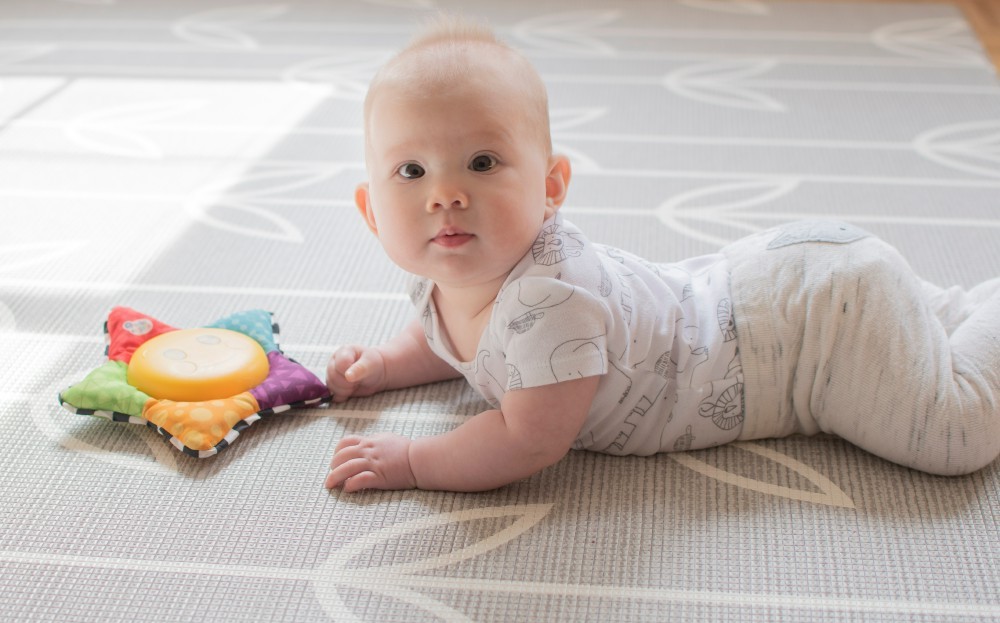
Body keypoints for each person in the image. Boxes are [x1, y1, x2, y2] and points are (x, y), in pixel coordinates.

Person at [324, 16, 1000, 493]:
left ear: (552, 186)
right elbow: (440, 336)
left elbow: (526, 439)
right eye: (410, 172)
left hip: (810, 339)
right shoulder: (440, 274)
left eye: (481, 161)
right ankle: (973, 307)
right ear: (369, 211)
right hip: (784, 280)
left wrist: (414, 460)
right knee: (939, 325)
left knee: (954, 432)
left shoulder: (548, 301)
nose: (445, 194)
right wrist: (384, 365)